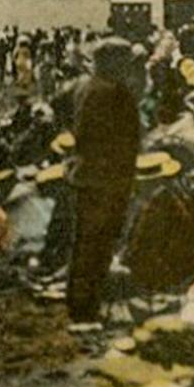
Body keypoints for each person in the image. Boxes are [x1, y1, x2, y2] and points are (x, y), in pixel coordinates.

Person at [66, 39, 141, 322]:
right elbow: (126, 140)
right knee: (98, 244)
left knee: (85, 243)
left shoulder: (86, 86)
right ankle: (86, 308)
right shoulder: (115, 92)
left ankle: (80, 303)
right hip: (107, 179)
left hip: (88, 175)